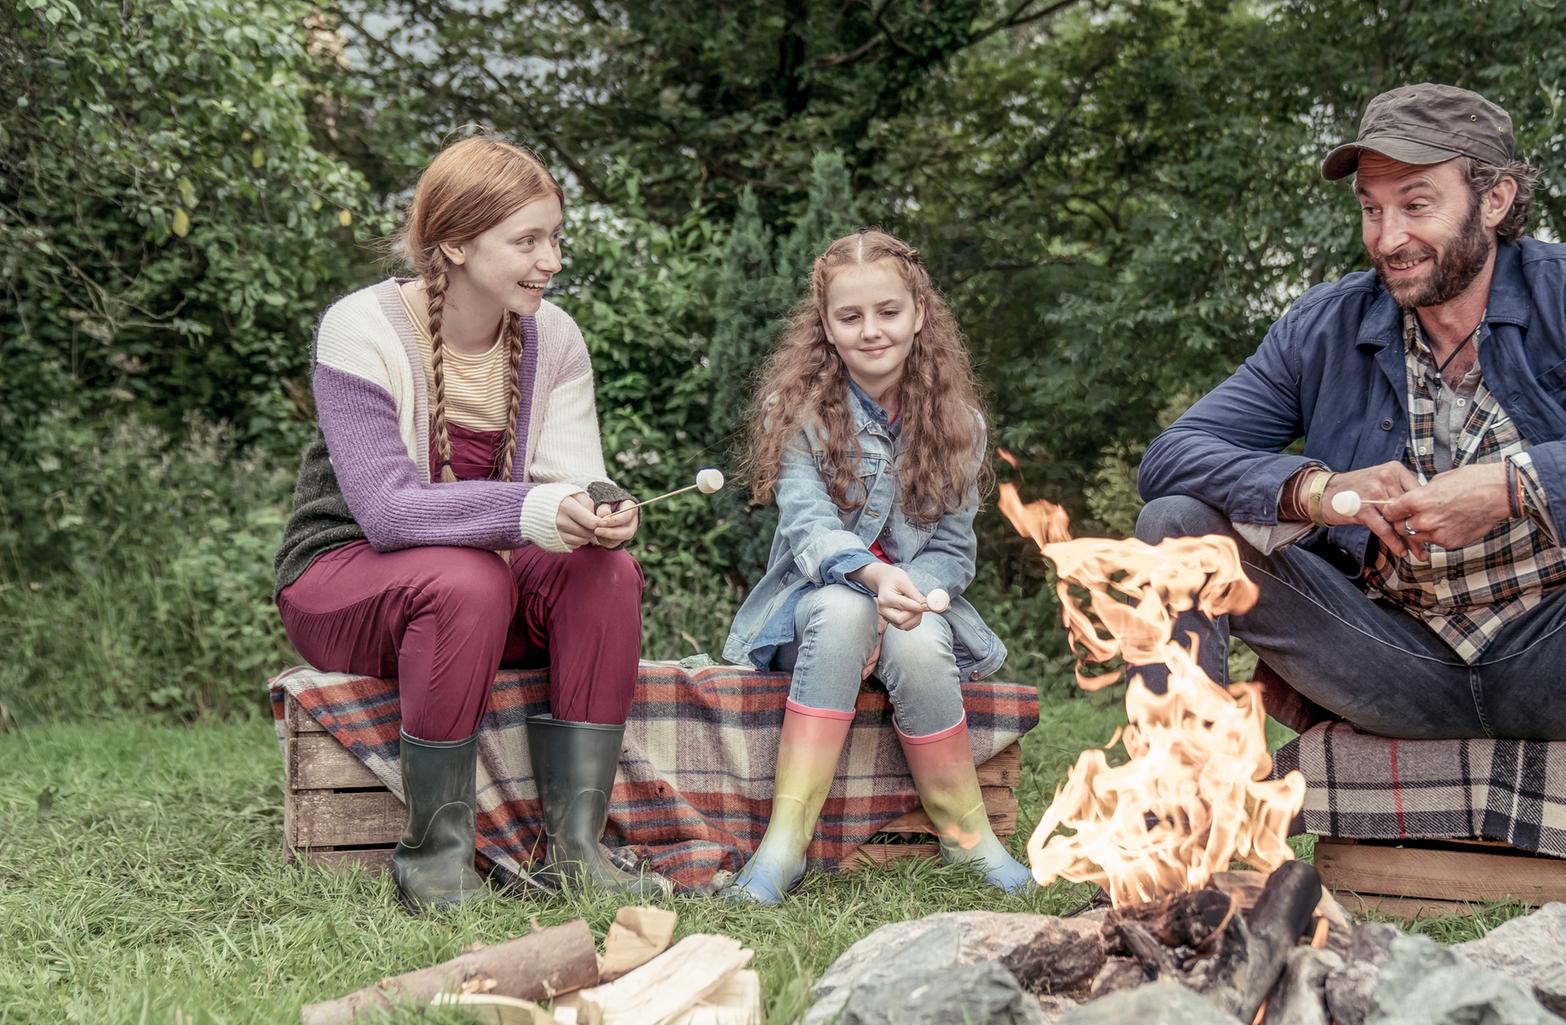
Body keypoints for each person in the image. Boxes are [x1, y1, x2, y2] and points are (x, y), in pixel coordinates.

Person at [1134, 84, 1566, 944]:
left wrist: (1517, 484)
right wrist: (1323, 492)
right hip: (1396, 663)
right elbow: (1169, 458)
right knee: (1176, 523)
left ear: (1497, 197)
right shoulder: (1323, 326)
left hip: (1565, 656)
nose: (1388, 238)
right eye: (1371, 210)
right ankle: (1182, 865)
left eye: (1417, 204)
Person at [273, 135, 667, 911]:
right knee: (469, 578)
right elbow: (387, 511)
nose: (550, 259)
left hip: (482, 586)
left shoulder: (553, 336)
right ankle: (436, 859)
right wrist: (535, 509)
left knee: (603, 571)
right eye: (526, 240)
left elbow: (571, 480)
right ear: (453, 242)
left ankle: (575, 852)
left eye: (554, 237)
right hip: (343, 581)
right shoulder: (362, 328)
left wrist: (600, 510)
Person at [720, 228, 1034, 903]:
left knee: (919, 637)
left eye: (888, 312)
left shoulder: (959, 425)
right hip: (815, 603)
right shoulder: (799, 413)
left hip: (912, 606)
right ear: (826, 328)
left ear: (919, 314)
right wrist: (873, 580)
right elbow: (807, 527)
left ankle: (967, 839)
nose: (871, 331)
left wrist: (912, 593)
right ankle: (785, 844)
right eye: (850, 316)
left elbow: (952, 550)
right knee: (843, 608)